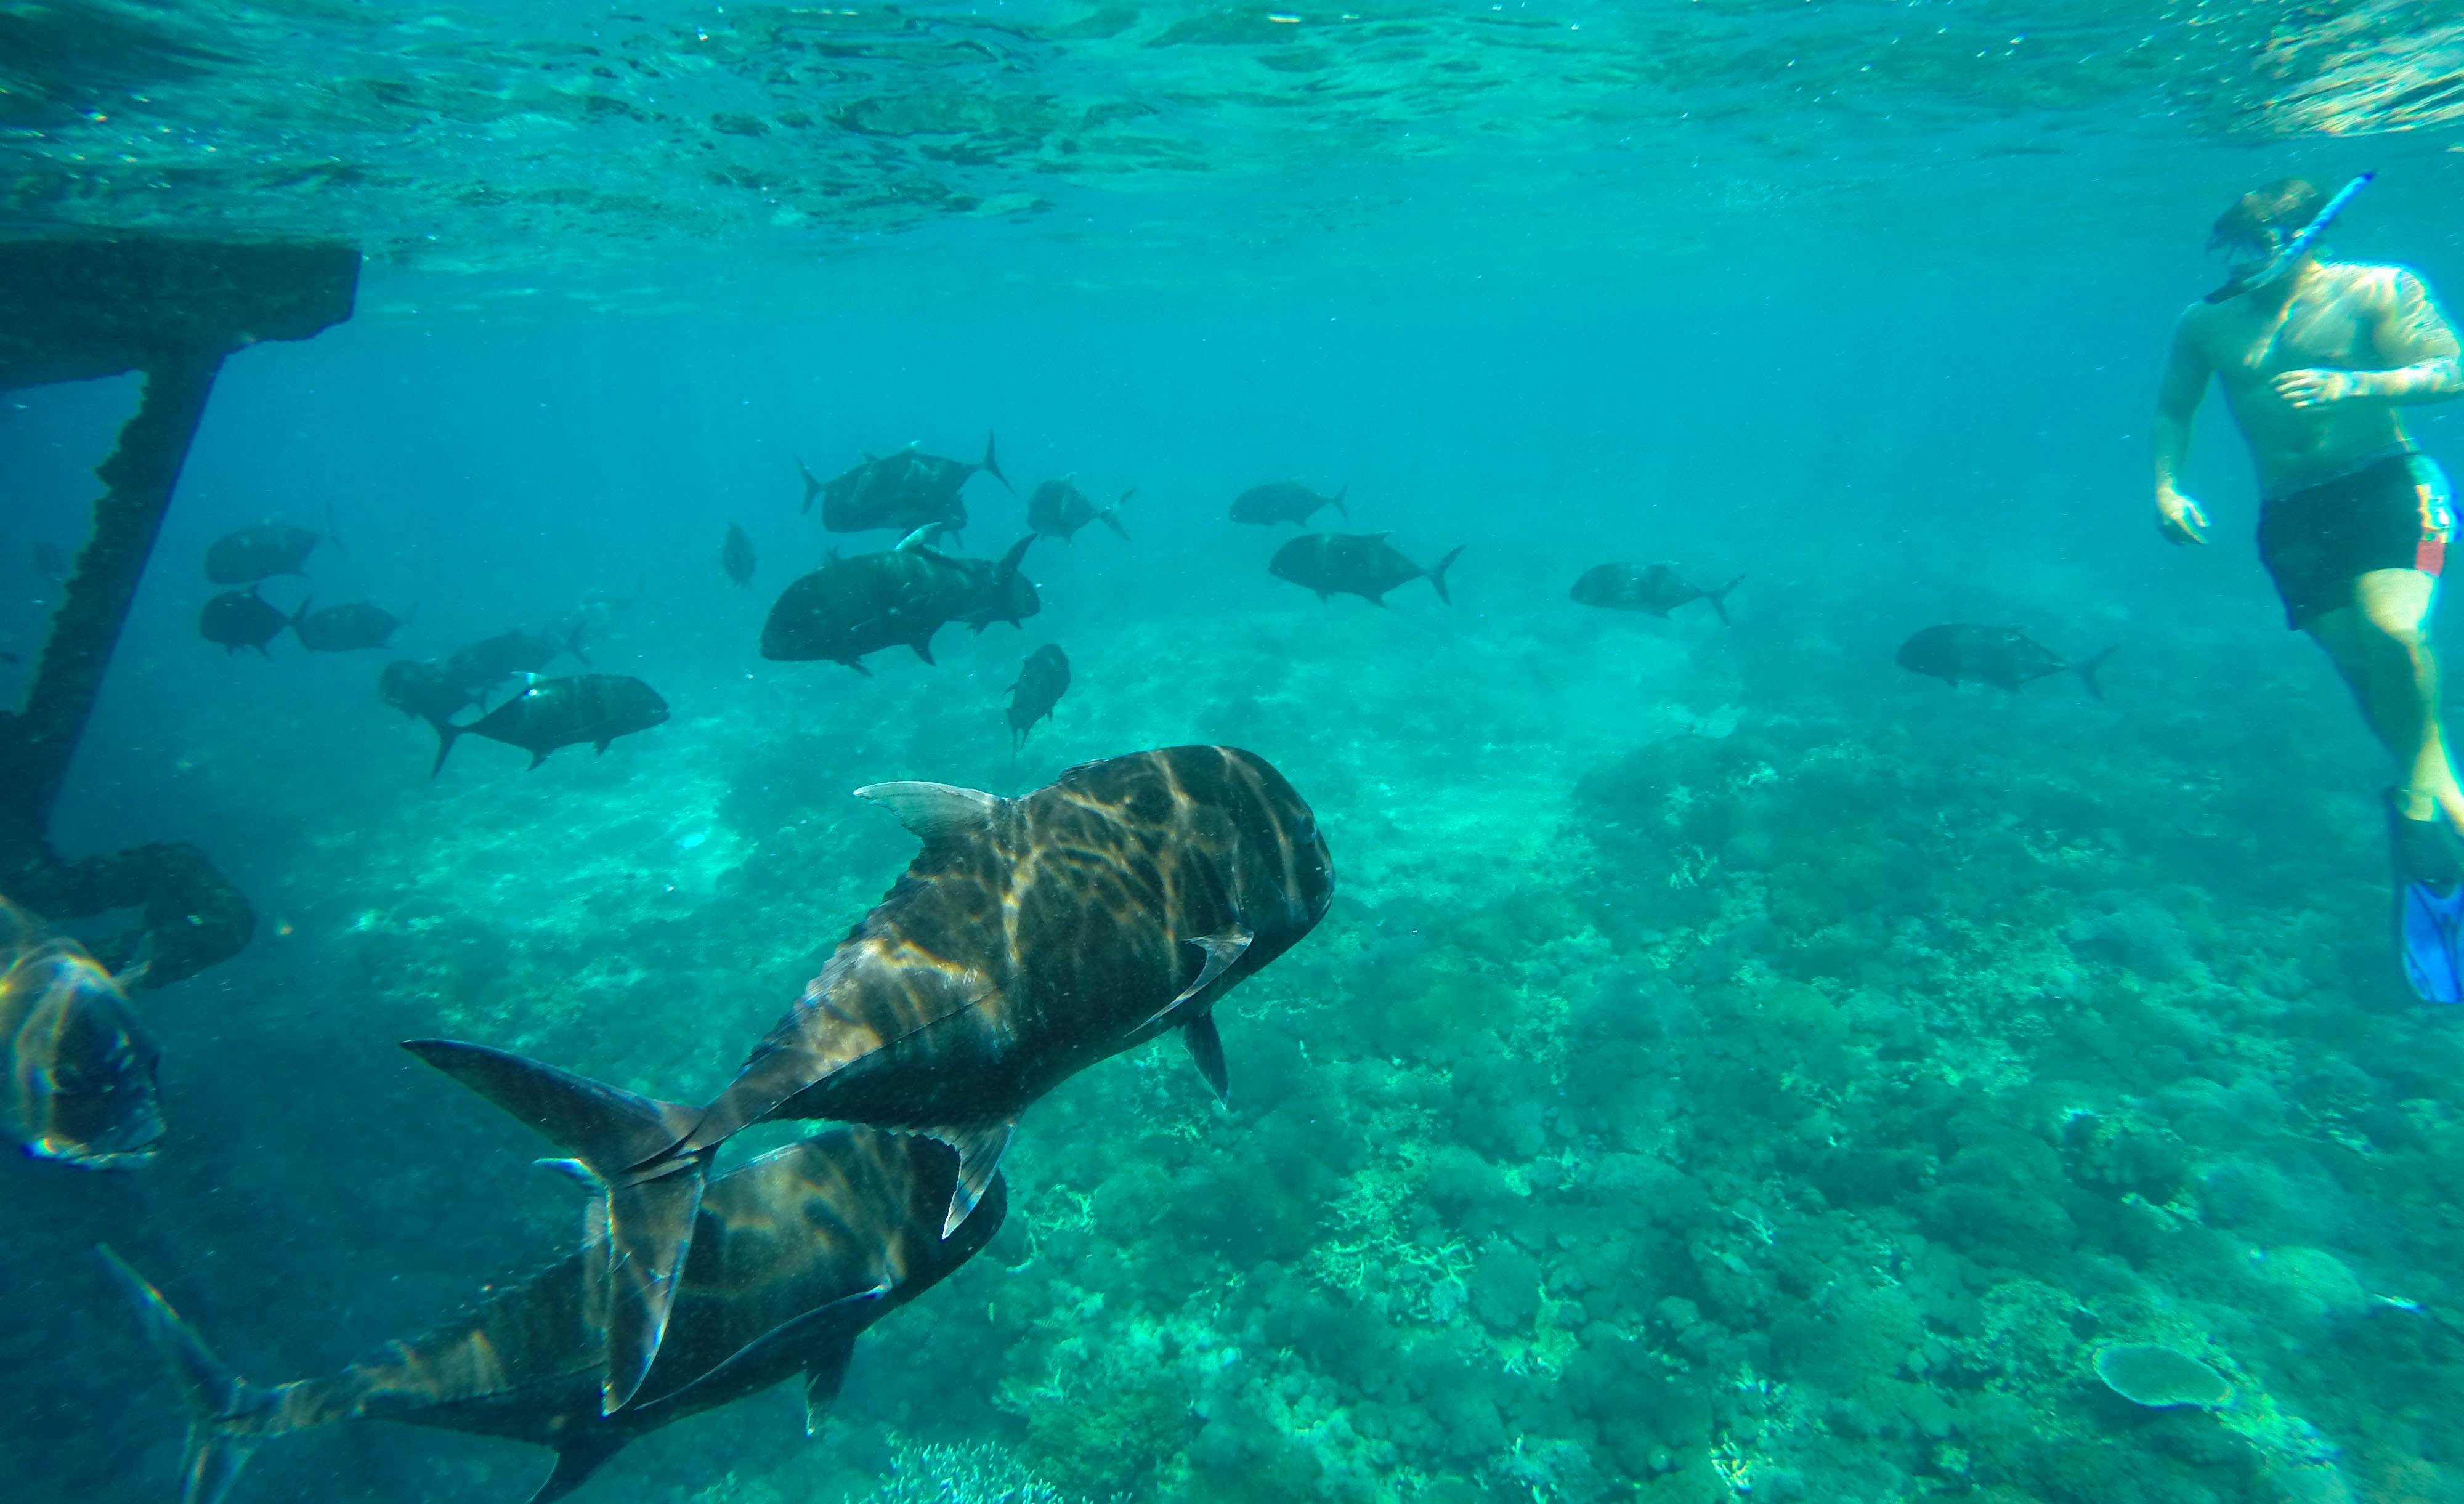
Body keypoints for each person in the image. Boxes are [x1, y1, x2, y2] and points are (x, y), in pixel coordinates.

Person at [2152, 176, 2464, 995]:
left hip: (2388, 485)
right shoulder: (2207, 321)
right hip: (2291, 517)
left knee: (2394, 632)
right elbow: (2173, 409)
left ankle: (2429, 800)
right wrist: (2167, 488)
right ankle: (2431, 794)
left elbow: (2451, 370)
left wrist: (2355, 385)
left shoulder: (2379, 288)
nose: (2239, 264)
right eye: (2229, 249)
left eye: (2256, 247)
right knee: (2365, 665)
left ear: (2303, 236)